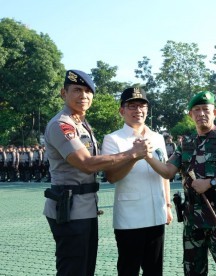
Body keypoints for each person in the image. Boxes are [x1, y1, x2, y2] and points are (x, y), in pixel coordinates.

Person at [43, 70, 152, 276]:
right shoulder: (62, 124)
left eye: (87, 91)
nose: (83, 96)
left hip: (83, 207)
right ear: (63, 93)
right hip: (70, 209)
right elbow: (87, 163)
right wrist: (131, 153)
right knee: (73, 270)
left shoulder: (81, 123)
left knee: (85, 268)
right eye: (76, 90)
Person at [142, 91, 216, 275]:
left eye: (205, 109)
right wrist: (148, 157)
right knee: (193, 271)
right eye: (196, 110)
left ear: (214, 112)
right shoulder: (186, 143)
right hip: (193, 220)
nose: (201, 114)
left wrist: (211, 182)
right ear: (190, 115)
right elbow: (168, 171)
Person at [101, 87, 173, 275]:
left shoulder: (157, 138)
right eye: (131, 106)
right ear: (122, 111)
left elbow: (163, 172)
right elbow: (111, 177)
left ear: (147, 111)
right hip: (129, 218)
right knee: (128, 270)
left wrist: (167, 205)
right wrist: (134, 156)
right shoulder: (113, 139)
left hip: (157, 214)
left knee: (154, 270)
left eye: (142, 106)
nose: (137, 110)